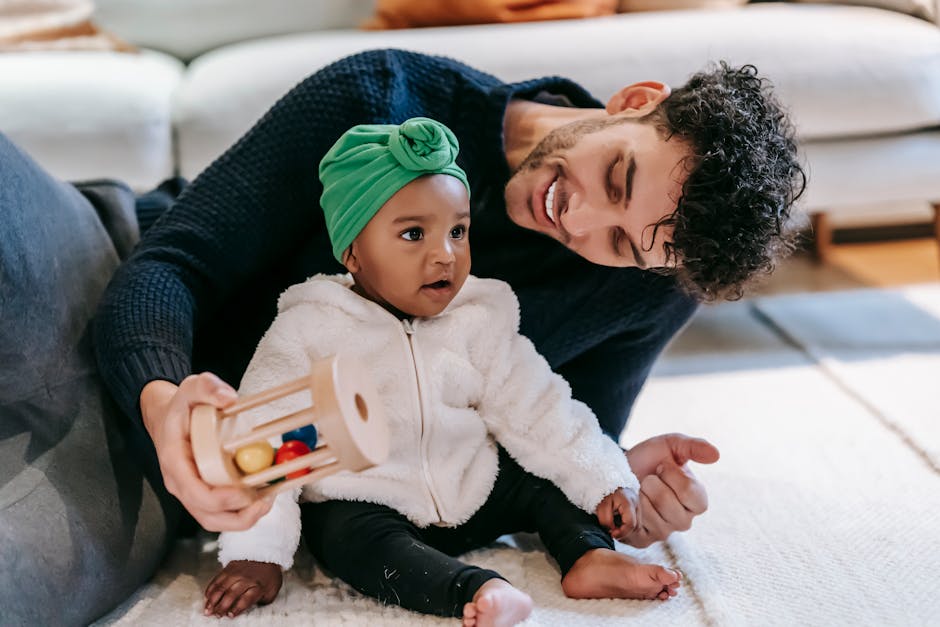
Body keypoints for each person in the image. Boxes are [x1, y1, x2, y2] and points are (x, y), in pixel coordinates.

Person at [0, 48, 801, 623]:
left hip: (188, 476)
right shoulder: (383, 98)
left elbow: (528, 442)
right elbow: (174, 264)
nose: (581, 218)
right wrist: (166, 401)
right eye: (616, 176)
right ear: (635, 101)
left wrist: (618, 484)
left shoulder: (643, 293)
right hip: (109, 266)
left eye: (623, 241)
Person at [204, 117, 683, 624]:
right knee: (348, 540)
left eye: (458, 231)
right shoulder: (309, 327)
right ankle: (472, 591)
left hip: (472, 485)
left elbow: (537, 405)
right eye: (413, 234)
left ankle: (587, 554)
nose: (445, 255)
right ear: (353, 253)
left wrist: (605, 477)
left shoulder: (481, 316)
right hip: (369, 500)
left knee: (542, 478)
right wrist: (254, 552)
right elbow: (269, 437)